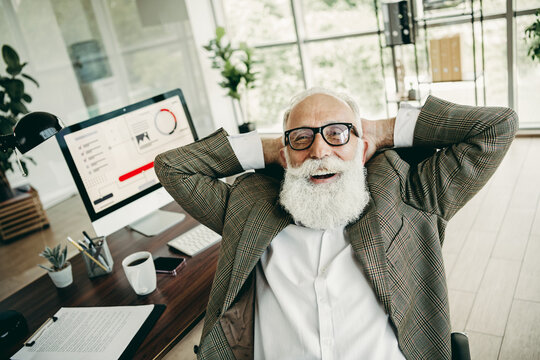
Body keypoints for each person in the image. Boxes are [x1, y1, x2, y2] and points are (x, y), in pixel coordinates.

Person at [154, 88, 518, 360]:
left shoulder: (407, 193)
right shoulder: (249, 204)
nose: (319, 151)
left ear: (363, 149)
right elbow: (172, 167)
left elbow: (496, 128)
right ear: (284, 156)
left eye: (338, 133)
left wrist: (383, 130)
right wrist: (272, 147)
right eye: (302, 138)